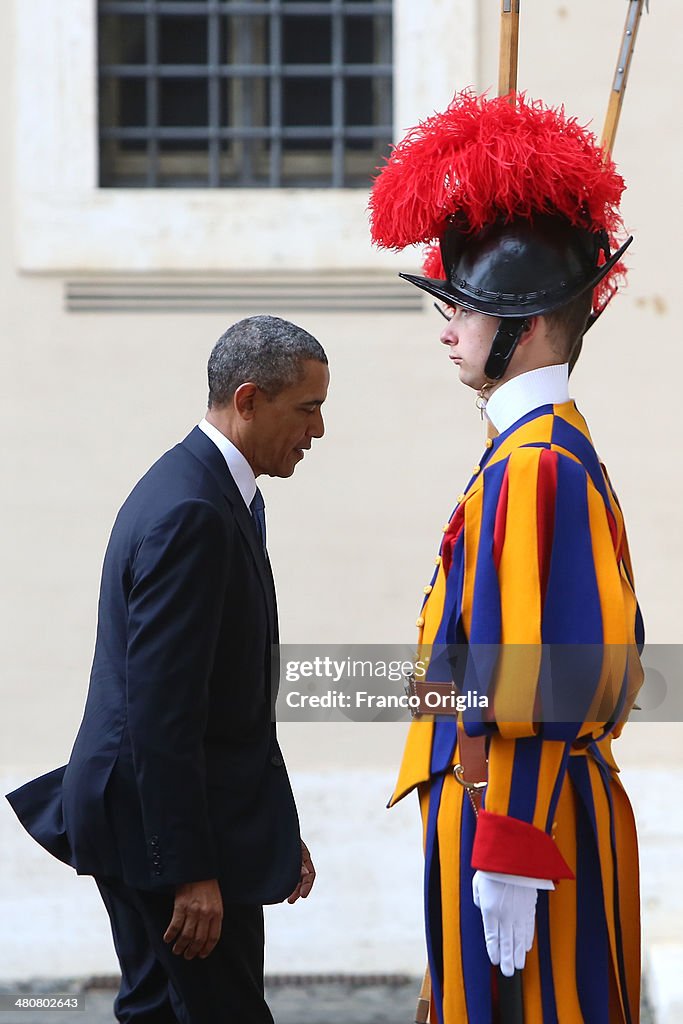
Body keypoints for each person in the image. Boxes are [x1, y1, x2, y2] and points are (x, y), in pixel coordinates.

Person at [370, 93, 644, 1023]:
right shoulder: (539, 451)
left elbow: (534, 670)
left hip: (517, 816)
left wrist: (510, 840)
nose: (446, 330)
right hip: (511, 810)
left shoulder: (532, 466)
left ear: (521, 327)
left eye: (463, 308)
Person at [7, 314, 329, 1024]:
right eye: (307, 409)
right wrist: (189, 871)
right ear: (248, 400)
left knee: (160, 1012)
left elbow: (220, 696)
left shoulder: (214, 491)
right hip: (166, 833)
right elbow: (162, 709)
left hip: (171, 816)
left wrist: (269, 825)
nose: (318, 431)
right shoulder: (193, 510)